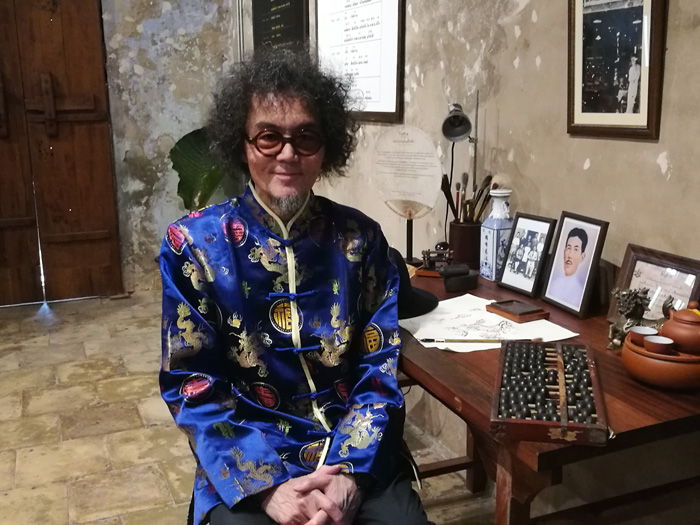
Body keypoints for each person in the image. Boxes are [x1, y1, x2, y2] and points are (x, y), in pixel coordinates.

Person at [159, 48, 429, 525]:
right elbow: (192, 384)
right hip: (250, 449)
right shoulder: (193, 245)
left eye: (306, 137)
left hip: (355, 445)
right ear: (242, 144)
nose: (288, 153)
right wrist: (269, 489)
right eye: (269, 137)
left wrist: (349, 475)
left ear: (327, 147)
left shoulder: (361, 239)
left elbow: (379, 367)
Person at [547, 228, 589, 309]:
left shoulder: (579, 294)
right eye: (568, 248)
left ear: (582, 257)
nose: (569, 255)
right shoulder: (553, 285)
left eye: (576, 249)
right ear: (564, 252)